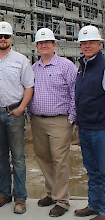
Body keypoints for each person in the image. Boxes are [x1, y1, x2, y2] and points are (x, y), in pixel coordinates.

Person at [0, 21, 34, 214]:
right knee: (1, 158)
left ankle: (20, 197)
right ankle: (4, 193)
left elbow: (29, 86)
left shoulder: (21, 60)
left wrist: (22, 108)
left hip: (14, 113)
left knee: (19, 158)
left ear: (11, 39)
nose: (2, 39)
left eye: (6, 36)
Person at [28, 27, 77, 217]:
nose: (44, 45)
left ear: (54, 44)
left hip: (60, 121)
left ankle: (63, 200)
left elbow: (75, 93)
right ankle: (51, 193)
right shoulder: (34, 68)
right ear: (37, 46)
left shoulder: (66, 66)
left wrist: (71, 118)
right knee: (44, 158)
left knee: (60, 160)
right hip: (38, 120)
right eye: (40, 43)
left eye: (47, 42)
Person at [74, 25, 105, 220]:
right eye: (84, 43)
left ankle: (103, 210)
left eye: (91, 42)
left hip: (101, 128)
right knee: (92, 170)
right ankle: (94, 205)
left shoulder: (103, 66)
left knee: (103, 170)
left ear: (99, 44)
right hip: (85, 127)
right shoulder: (82, 66)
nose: (87, 46)